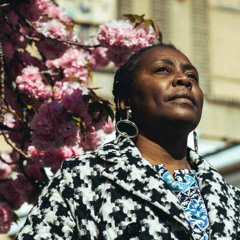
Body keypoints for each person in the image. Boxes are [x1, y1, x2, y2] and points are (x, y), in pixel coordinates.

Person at [16, 43, 240, 240]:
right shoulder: (83, 177)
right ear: (126, 101)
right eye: (163, 70)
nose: (184, 80)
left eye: (192, 76)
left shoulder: (231, 198)